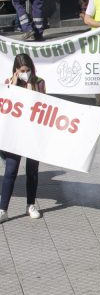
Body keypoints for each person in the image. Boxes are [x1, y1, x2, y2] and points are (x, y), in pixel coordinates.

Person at [0, 54, 45, 223]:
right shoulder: (9, 83)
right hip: (15, 134)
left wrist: (30, 85)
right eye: (22, 71)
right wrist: (13, 83)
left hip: (33, 134)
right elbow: (6, 103)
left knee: (32, 171)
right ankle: (3, 208)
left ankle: (30, 204)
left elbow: (40, 103)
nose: (25, 73)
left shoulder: (39, 82)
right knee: (10, 170)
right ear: (16, 71)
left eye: (27, 70)